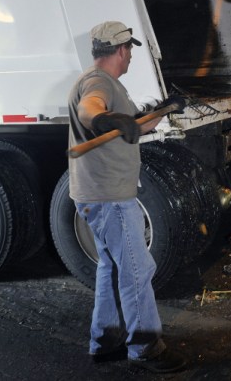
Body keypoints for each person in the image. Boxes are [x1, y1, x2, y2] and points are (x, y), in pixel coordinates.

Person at [68, 21, 186, 373]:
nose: (131, 55)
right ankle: (145, 346)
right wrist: (103, 118)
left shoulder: (109, 84)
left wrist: (165, 109)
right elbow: (92, 108)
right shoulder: (97, 83)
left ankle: (105, 340)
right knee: (137, 269)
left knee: (110, 267)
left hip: (97, 194)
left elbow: (134, 124)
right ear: (120, 50)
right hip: (109, 198)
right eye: (130, 50)